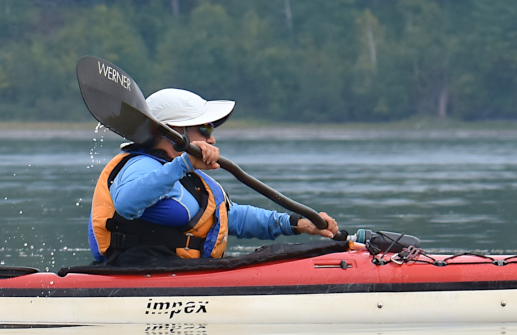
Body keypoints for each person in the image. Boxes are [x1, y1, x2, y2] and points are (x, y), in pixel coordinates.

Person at [89, 87, 338, 265]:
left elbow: (232, 218)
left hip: (182, 270)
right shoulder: (141, 165)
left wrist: (296, 224)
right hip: (139, 272)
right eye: (205, 128)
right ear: (174, 132)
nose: (212, 138)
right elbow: (126, 203)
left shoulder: (189, 176)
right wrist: (184, 163)